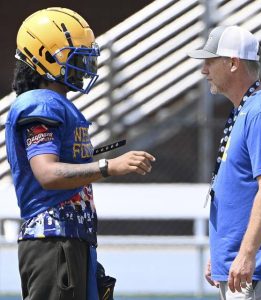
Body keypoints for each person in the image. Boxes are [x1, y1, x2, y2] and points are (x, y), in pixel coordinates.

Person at [5, 7, 155, 300]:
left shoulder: (55, 103)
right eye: (73, 54)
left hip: (71, 240)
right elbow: (47, 173)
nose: (84, 61)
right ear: (45, 55)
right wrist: (108, 166)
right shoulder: (40, 104)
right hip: (52, 241)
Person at [189, 25, 261, 299]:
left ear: (233, 63)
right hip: (244, 270)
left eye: (210, 62)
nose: (204, 71)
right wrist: (222, 254)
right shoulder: (246, 109)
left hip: (259, 272)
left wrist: (247, 254)